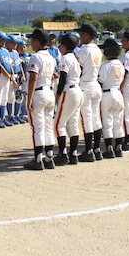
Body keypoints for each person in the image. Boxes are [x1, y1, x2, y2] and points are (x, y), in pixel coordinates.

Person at [23, 28, 57, 170]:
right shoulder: (50, 56)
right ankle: (49, 158)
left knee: (38, 128)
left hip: (39, 93)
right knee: (48, 126)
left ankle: (38, 160)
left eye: (32, 40)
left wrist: (29, 98)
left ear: (37, 41)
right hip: (49, 92)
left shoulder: (36, 56)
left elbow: (33, 79)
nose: (31, 42)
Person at [73, 23, 103, 161]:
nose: (79, 37)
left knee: (87, 120)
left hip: (85, 85)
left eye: (81, 34)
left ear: (86, 35)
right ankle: (97, 149)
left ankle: (88, 151)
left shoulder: (83, 50)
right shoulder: (97, 49)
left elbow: (77, 70)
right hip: (95, 85)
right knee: (95, 118)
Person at [53, 33, 83, 165]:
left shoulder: (65, 59)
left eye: (61, 44)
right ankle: (74, 154)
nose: (59, 46)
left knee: (59, 124)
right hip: (77, 91)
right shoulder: (75, 58)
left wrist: (58, 94)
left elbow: (63, 78)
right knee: (73, 124)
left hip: (68, 91)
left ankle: (62, 154)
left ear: (64, 45)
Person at [98, 38, 125, 158]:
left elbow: (100, 82)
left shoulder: (106, 65)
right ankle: (118, 147)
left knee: (107, 122)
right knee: (118, 122)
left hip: (107, 94)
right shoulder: (120, 64)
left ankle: (109, 148)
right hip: (118, 93)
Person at [0, 31, 15, 128]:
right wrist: (7, 74)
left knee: (5, 97)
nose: (4, 42)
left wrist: (12, 74)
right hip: (0, 76)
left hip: (8, 76)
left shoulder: (5, 51)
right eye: (2, 40)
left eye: (5, 40)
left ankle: (3, 117)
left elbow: (10, 64)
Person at [6, 35, 25, 125]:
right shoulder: (7, 53)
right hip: (12, 76)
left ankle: (17, 115)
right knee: (11, 97)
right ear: (8, 43)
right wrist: (13, 78)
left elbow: (20, 65)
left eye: (16, 43)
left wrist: (23, 74)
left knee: (19, 96)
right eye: (13, 43)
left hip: (19, 75)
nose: (15, 44)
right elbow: (10, 66)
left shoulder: (16, 52)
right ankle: (11, 116)